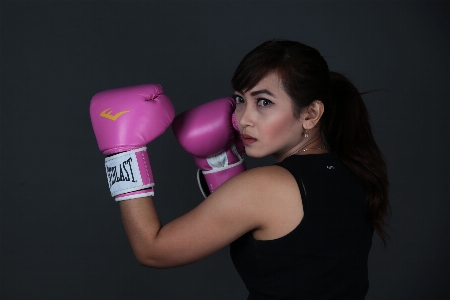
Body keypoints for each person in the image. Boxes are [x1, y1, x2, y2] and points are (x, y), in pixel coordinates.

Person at [90, 39, 390, 299]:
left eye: (263, 102)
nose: (243, 118)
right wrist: (219, 163)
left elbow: (151, 250)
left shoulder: (265, 187)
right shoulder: (351, 172)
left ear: (311, 113)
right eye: (239, 100)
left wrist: (123, 152)